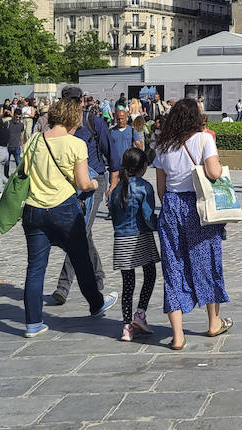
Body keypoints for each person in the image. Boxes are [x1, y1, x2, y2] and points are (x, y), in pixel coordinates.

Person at [20, 97, 114, 337]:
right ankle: (96, 304)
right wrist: (94, 183)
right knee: (81, 260)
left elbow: (23, 172)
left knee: (35, 268)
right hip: (64, 209)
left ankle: (33, 323)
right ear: (73, 119)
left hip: (34, 209)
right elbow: (83, 182)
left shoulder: (34, 140)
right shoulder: (75, 144)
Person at [151, 98, 232, 350]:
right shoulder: (204, 139)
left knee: (173, 267)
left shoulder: (162, 145)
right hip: (198, 206)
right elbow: (214, 172)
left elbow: (161, 189)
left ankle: (177, 336)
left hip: (171, 206)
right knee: (206, 260)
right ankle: (213, 322)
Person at [52, 87, 113, 307]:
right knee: (84, 234)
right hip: (69, 184)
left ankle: (63, 287)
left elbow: (110, 152)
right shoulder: (58, 127)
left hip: (93, 183)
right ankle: (98, 276)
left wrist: (113, 182)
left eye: (73, 102)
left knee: (78, 233)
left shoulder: (93, 123)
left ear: (81, 102)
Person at [108, 146, 160, 340]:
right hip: (141, 237)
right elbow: (148, 217)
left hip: (121, 240)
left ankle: (126, 326)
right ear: (143, 166)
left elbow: (113, 216)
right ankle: (140, 313)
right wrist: (160, 225)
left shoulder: (116, 189)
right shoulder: (144, 187)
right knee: (150, 274)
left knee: (127, 284)